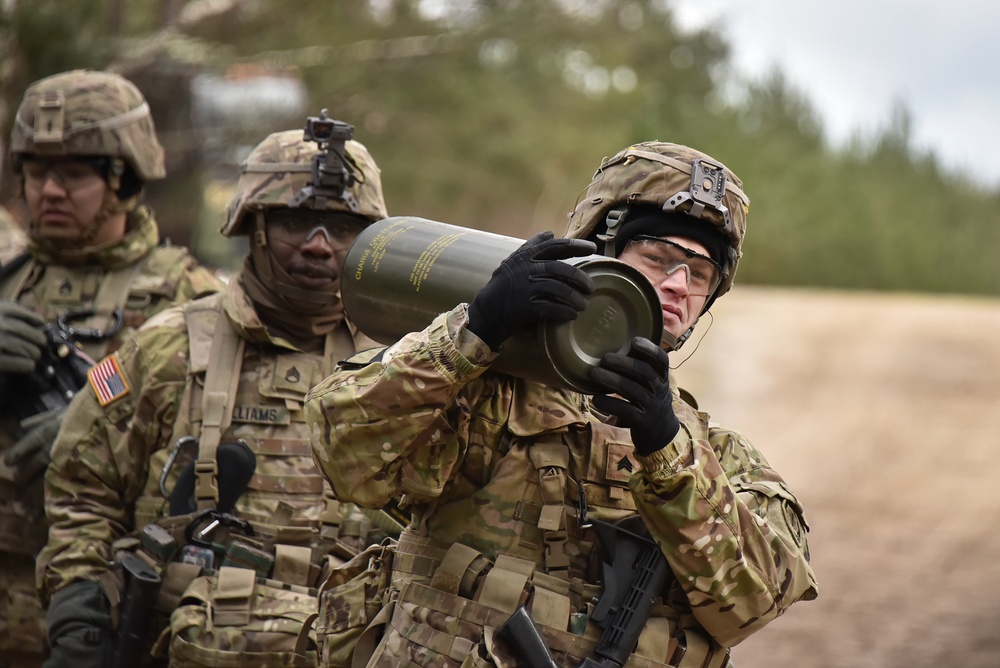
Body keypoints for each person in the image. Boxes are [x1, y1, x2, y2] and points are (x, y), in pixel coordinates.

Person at [305, 141, 819, 667]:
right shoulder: (488, 394)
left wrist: (666, 450)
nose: (677, 285)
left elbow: (753, 604)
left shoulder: (719, 458)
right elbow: (345, 454)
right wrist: (476, 330)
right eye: (658, 258)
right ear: (598, 252)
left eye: (700, 274)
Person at [37, 117, 398, 668]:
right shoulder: (166, 347)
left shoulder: (401, 366)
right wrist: (79, 612)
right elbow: (82, 492)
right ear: (253, 227)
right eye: (297, 223)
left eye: (342, 227)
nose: (320, 247)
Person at [0, 69, 222, 668]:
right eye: (36, 172)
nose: (48, 191)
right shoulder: (8, 278)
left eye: (73, 174)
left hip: (104, 601)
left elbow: (218, 447)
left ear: (122, 180)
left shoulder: (187, 296)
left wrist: (87, 432)